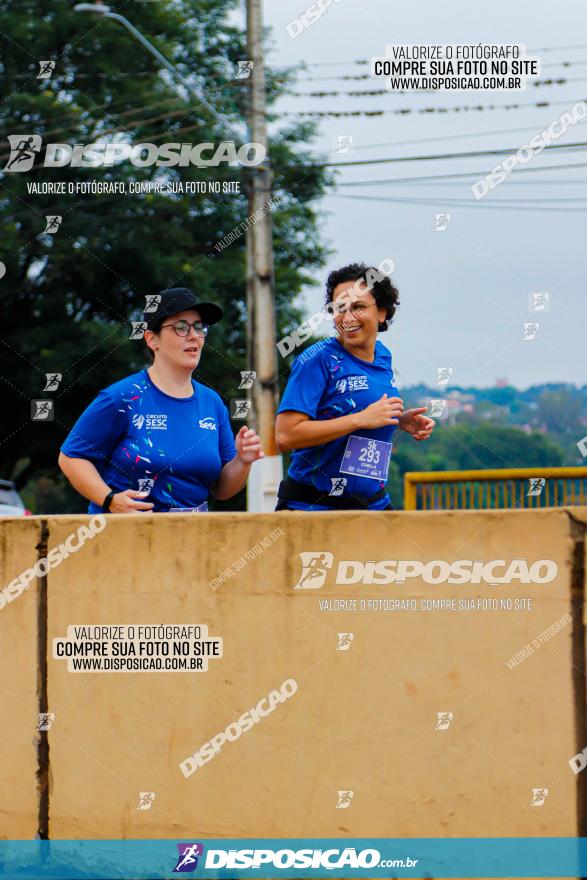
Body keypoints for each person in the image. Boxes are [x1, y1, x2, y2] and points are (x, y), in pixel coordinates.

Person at [59, 287, 263, 513]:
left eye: (198, 327)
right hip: (127, 538)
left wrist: (243, 461)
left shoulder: (212, 402)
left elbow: (222, 490)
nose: (194, 335)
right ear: (152, 339)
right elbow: (70, 458)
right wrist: (109, 500)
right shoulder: (123, 396)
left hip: (194, 538)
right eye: (181, 327)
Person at [274, 263, 435, 511]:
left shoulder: (383, 356)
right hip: (314, 506)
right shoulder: (317, 359)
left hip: (372, 504)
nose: (347, 318)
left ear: (382, 312)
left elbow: (355, 409)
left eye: (358, 307)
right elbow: (285, 436)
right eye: (339, 309)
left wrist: (397, 420)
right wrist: (361, 419)